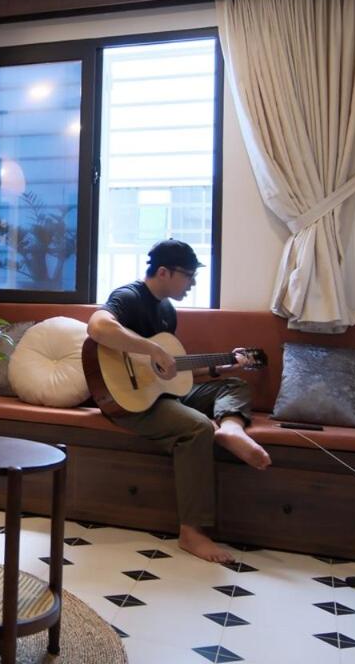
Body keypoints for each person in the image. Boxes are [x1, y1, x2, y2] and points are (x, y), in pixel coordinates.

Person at [87, 239, 271, 563]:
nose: (193, 283)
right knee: (198, 428)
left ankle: (231, 429)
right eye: (188, 275)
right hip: (127, 401)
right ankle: (191, 533)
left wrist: (220, 366)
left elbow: (171, 373)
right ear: (163, 272)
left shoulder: (167, 311)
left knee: (233, 385)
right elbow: (98, 327)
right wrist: (152, 348)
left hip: (160, 394)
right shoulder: (129, 297)